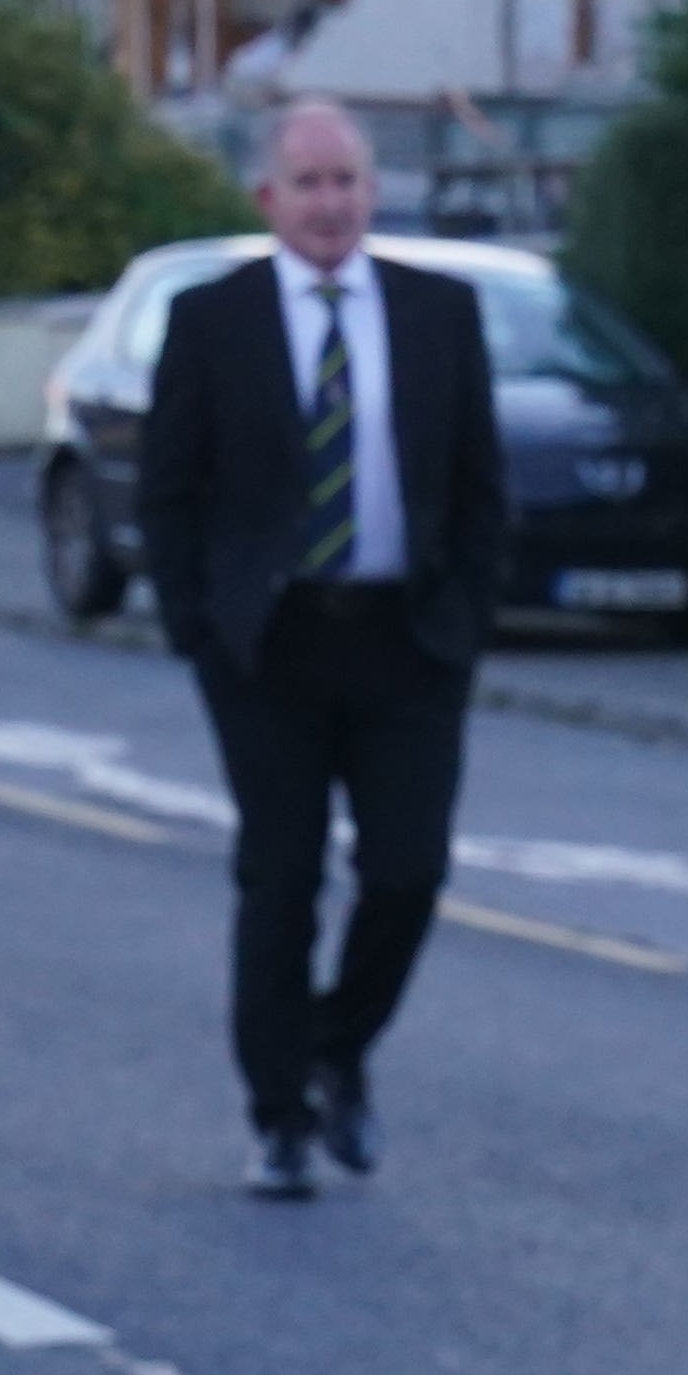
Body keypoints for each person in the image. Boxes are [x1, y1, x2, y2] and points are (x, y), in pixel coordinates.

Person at [137, 98, 510, 1199]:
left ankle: (337, 1045)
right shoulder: (215, 319)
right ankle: (279, 1113)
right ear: (267, 199)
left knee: (407, 870)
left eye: (345, 180)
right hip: (271, 645)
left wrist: (466, 619)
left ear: (372, 190)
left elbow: (482, 486)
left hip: (407, 637)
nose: (329, 203)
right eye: (307, 183)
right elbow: (169, 488)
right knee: (282, 877)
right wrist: (198, 627)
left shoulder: (440, 312)